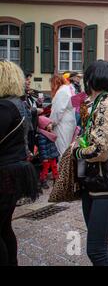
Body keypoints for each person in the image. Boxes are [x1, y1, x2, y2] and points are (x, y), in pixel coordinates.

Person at [72, 60, 108, 266]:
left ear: (90, 80)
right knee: (100, 246)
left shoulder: (105, 105)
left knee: (95, 250)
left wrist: (76, 151)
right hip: (100, 183)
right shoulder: (102, 102)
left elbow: (99, 151)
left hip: (107, 184)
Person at [0, 60, 39, 266]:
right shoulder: (18, 103)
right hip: (15, 168)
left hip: (6, 171)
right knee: (5, 226)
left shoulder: (5, 106)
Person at [50, 74, 77, 156]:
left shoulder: (61, 92)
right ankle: (67, 167)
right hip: (70, 122)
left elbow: (58, 111)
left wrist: (51, 122)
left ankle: (62, 168)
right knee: (67, 149)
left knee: (62, 150)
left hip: (62, 124)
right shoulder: (69, 89)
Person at [37, 116, 59, 189]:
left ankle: (56, 179)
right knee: (45, 169)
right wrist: (45, 157)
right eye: (49, 124)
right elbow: (42, 148)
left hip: (52, 155)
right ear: (44, 126)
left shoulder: (49, 133)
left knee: (54, 167)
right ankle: (42, 180)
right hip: (46, 157)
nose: (51, 125)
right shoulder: (42, 136)